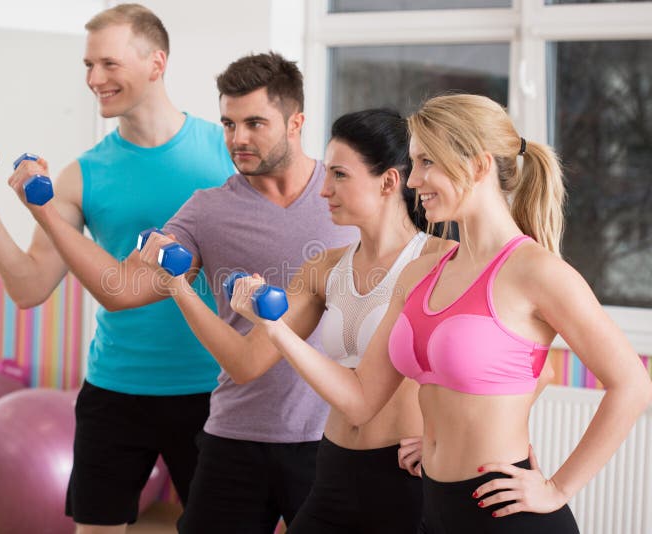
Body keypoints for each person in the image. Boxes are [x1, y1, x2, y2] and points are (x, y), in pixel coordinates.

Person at [233, 93, 652, 533]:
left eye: (427, 162)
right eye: (414, 163)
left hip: (503, 514)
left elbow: (631, 385)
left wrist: (559, 488)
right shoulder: (422, 272)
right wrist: (275, 331)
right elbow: (360, 399)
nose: (413, 181)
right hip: (435, 507)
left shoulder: (536, 271)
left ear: (478, 165)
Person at [6, 51, 358, 533]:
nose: (238, 139)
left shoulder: (344, 200)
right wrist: (45, 213)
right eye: (229, 124)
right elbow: (121, 290)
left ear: (296, 121)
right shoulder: (207, 212)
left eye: (255, 123)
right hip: (235, 435)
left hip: (331, 436)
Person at [0, 4, 235, 533]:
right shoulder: (82, 174)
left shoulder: (225, 155)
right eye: (87, 65)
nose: (94, 79)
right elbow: (29, 286)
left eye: (109, 63)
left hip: (214, 387)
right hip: (116, 387)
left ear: (156, 62)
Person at [143, 107, 453, 533]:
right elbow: (246, 362)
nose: (324, 190)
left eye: (339, 175)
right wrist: (177, 286)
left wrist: (448, 436)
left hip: (406, 479)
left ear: (389, 181)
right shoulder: (325, 268)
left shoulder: (440, 262)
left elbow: (517, 366)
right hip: (333, 469)